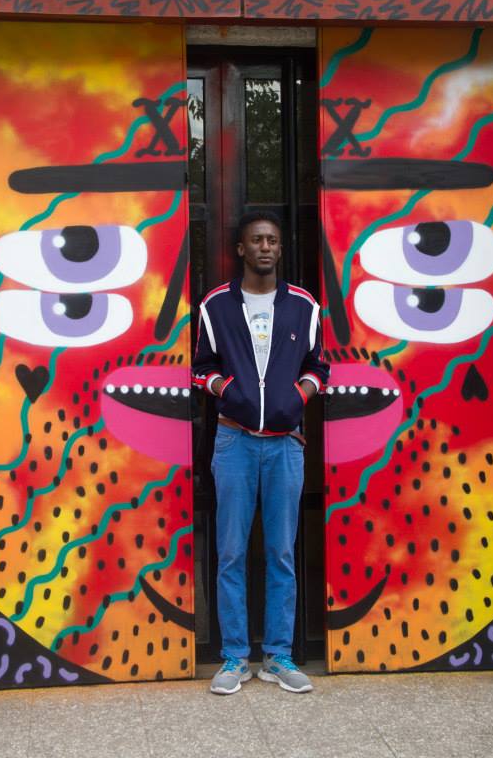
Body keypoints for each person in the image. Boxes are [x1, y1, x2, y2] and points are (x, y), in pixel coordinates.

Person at [192, 211, 329, 694]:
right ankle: (234, 657)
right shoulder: (216, 306)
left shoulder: (304, 306)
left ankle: (278, 656)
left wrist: (297, 398)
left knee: (281, 552)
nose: (265, 247)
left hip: (286, 445)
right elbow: (200, 367)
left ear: (280, 248)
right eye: (257, 240)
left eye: (272, 240)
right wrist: (228, 391)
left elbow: (319, 366)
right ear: (242, 249)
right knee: (231, 552)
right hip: (234, 441)